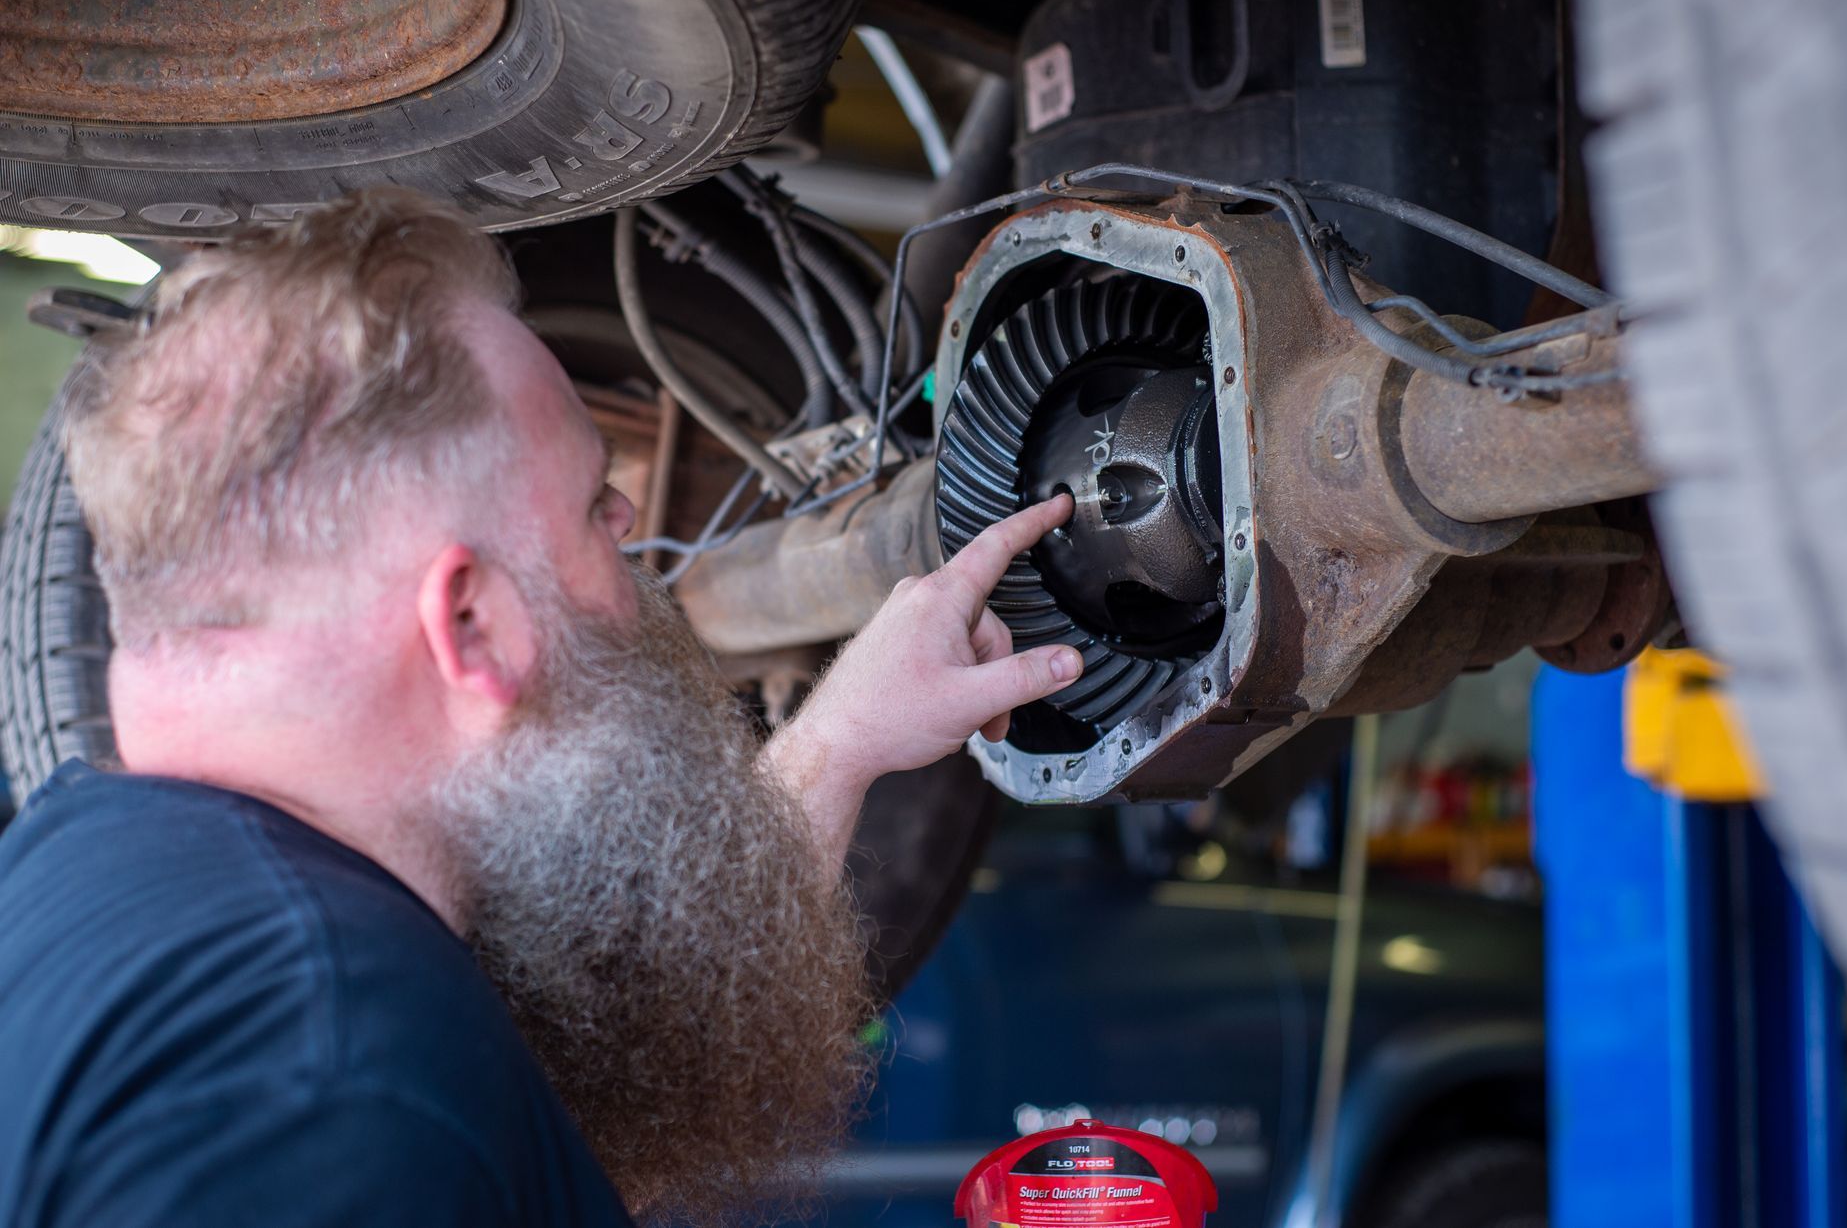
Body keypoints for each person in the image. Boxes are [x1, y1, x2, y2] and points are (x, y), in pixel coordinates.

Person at [0, 188, 1084, 1228]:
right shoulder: (338, 1088)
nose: (629, 528)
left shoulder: (80, 876)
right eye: (589, 508)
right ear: (470, 625)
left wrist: (842, 739)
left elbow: (540, 1136)